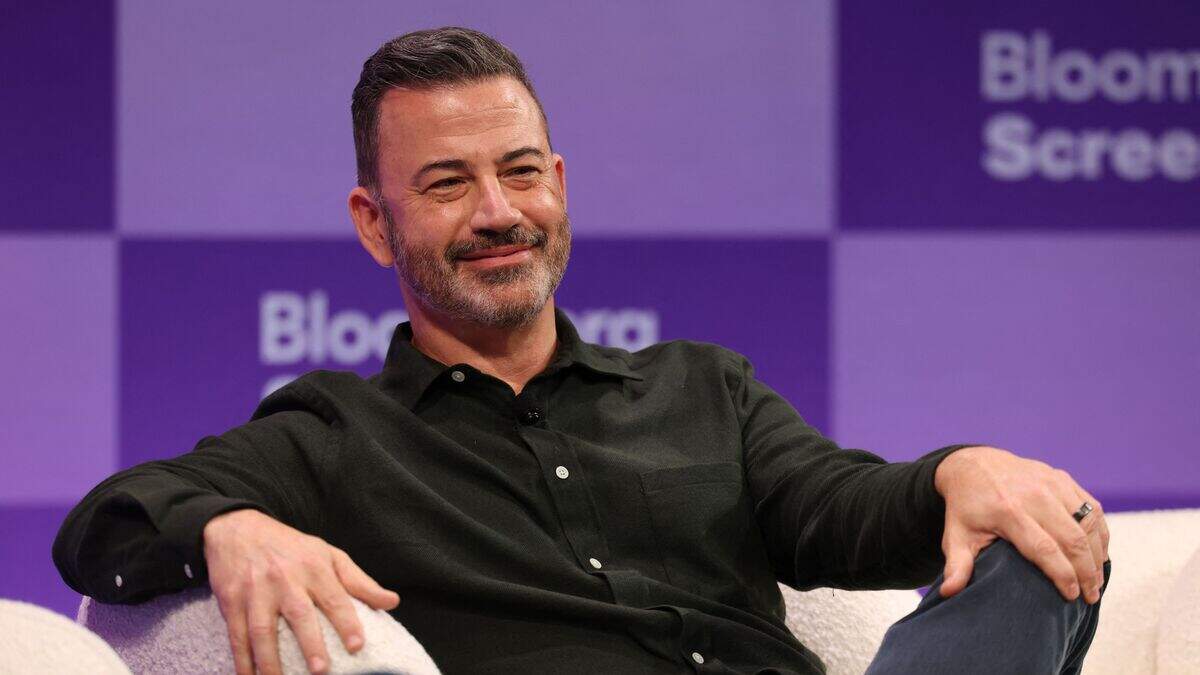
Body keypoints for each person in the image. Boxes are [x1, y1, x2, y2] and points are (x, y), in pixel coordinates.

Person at [54, 27, 1110, 675]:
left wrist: (963, 472)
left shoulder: (704, 387)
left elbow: (841, 508)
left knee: (1044, 541)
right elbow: (101, 529)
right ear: (375, 225)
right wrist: (228, 526)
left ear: (557, 184)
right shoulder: (335, 432)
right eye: (447, 184)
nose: (498, 211)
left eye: (520, 172)